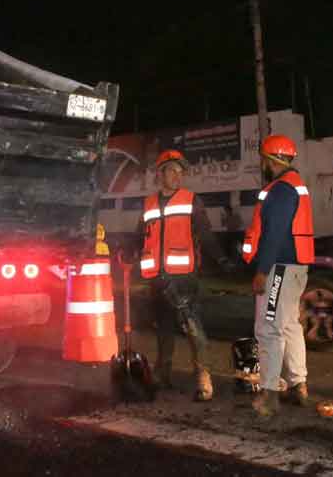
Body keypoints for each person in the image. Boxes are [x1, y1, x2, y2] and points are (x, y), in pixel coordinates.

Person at [133, 150, 233, 401]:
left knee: (193, 328)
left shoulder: (191, 200)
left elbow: (206, 234)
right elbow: (140, 236)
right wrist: (127, 255)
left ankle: (204, 379)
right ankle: (162, 374)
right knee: (163, 329)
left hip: (183, 277)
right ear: (161, 173)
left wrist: (221, 258)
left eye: (181, 172)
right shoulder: (148, 203)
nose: (177, 176)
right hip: (157, 277)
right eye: (172, 170)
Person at [241, 135, 314, 417]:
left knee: (269, 328)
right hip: (294, 268)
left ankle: (269, 396)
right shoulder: (295, 185)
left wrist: (262, 271)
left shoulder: (281, 190)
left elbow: (273, 235)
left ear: (271, 160)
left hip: (279, 269)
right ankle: (299, 385)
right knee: (289, 327)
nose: (263, 164)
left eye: (264, 159)